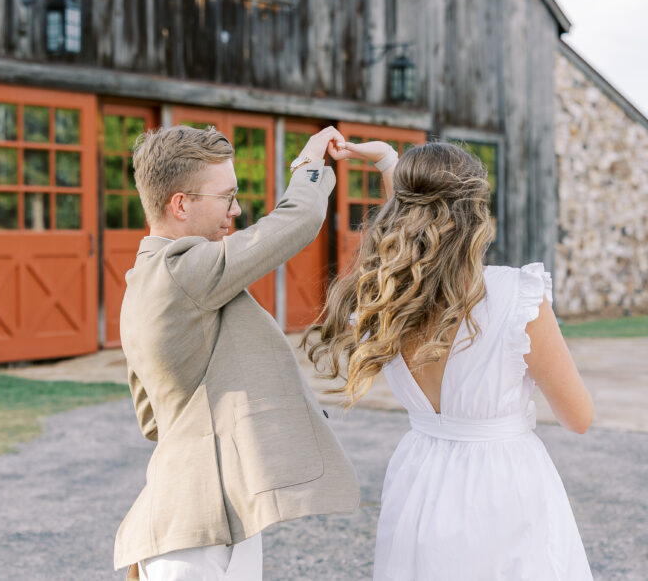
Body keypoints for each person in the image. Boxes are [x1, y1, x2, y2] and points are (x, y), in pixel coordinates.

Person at [305, 140, 595, 580]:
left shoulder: (385, 297)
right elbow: (579, 417)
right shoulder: (516, 296)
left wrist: (390, 163)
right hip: (502, 484)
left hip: (421, 475)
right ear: (477, 212)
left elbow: (408, 213)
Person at [114, 124, 360, 581]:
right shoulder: (183, 271)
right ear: (181, 204)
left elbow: (152, 419)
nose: (237, 209)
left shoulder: (139, 281)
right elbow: (296, 223)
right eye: (226, 197)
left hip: (188, 518)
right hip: (199, 535)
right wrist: (309, 164)